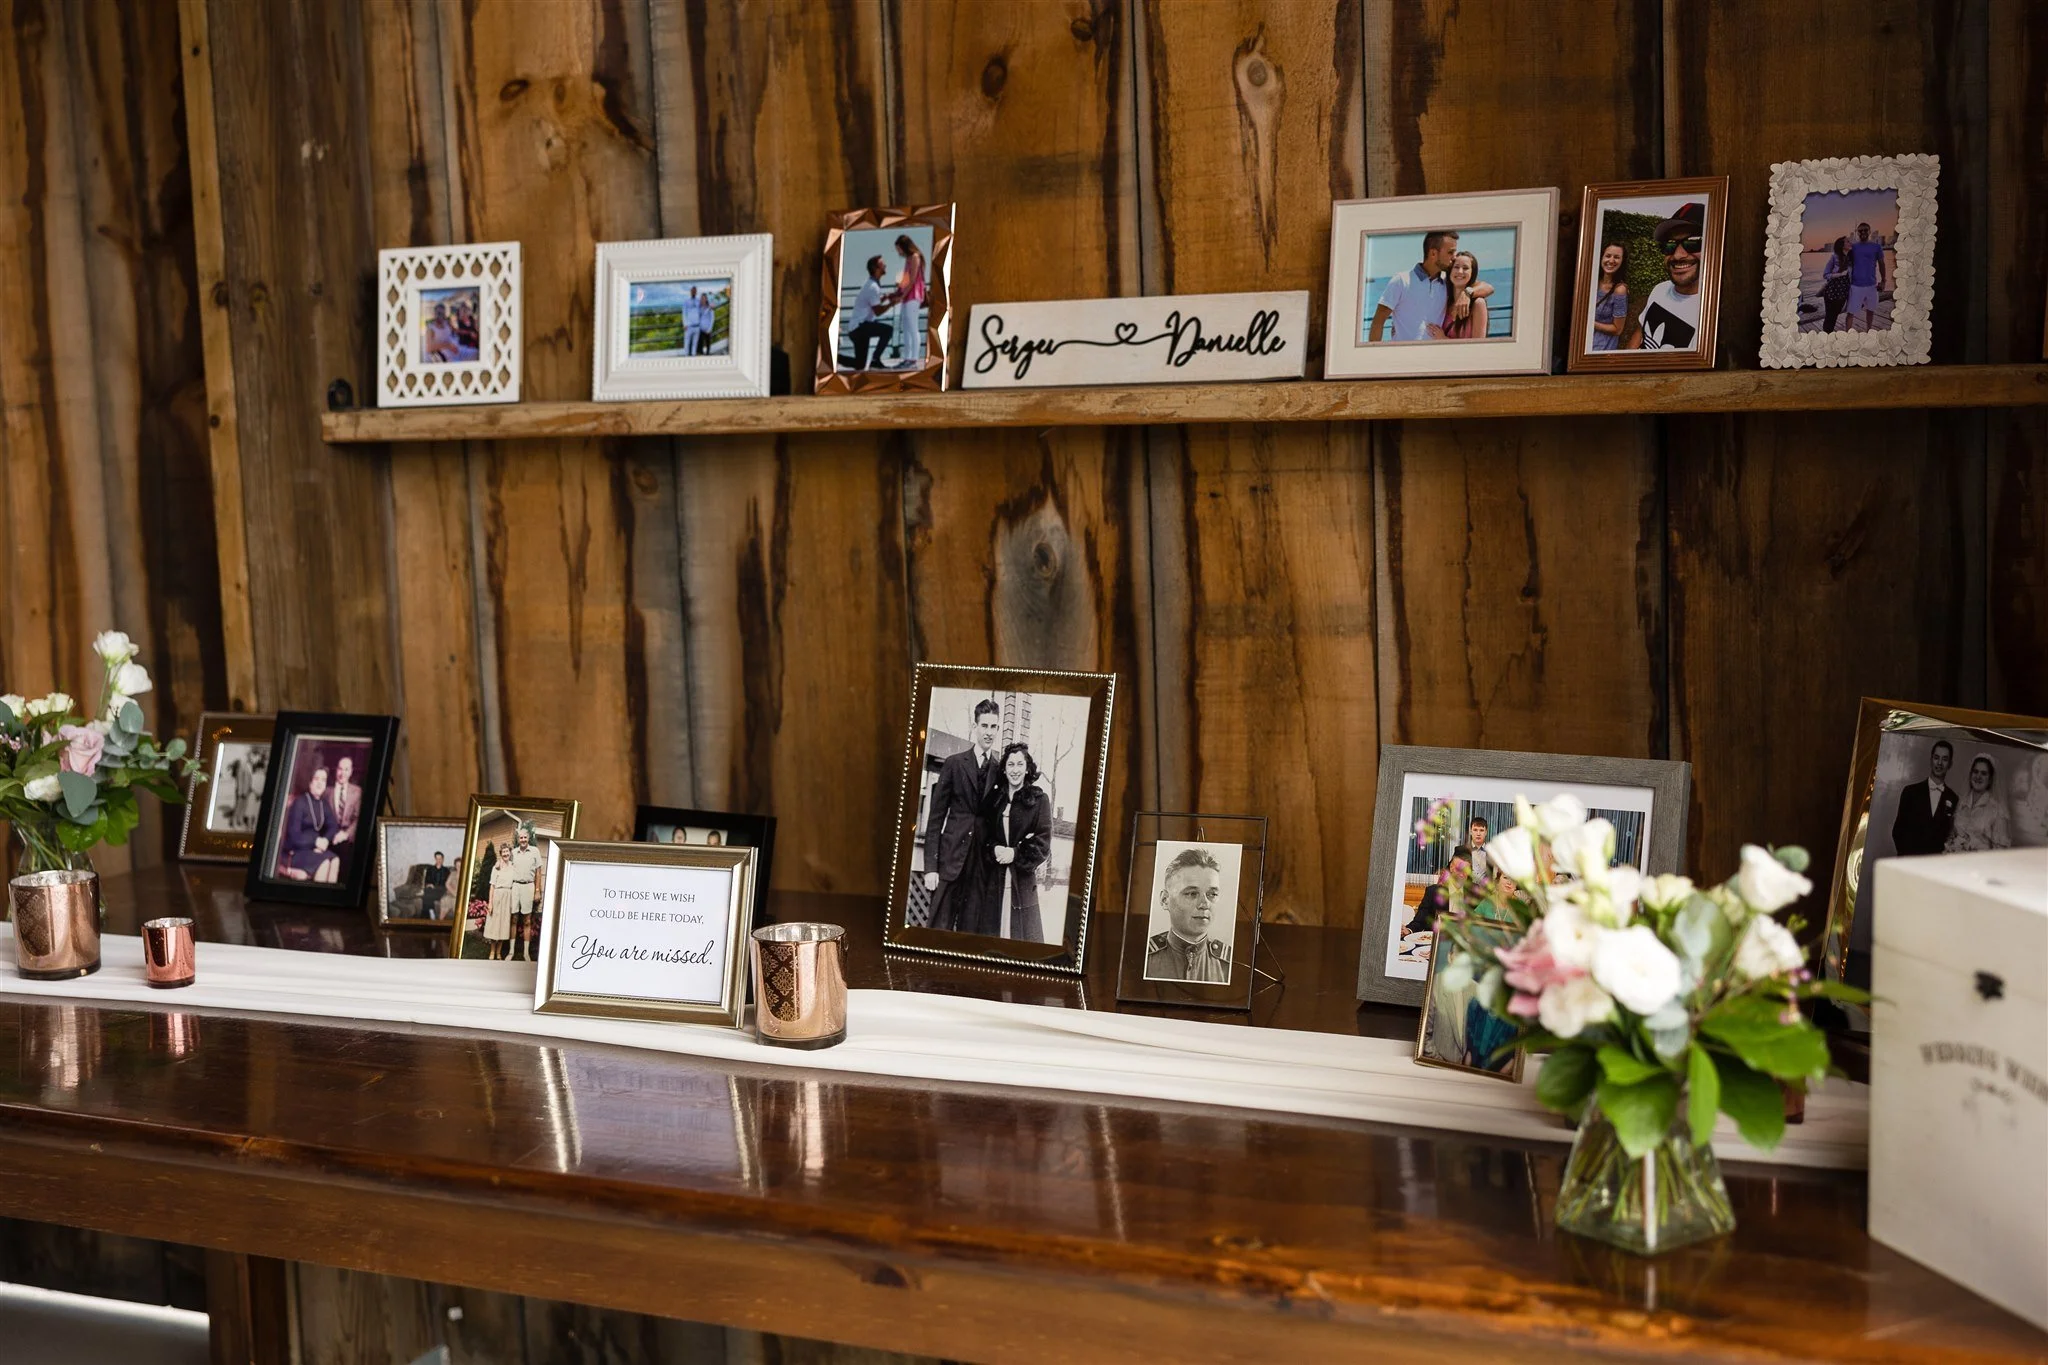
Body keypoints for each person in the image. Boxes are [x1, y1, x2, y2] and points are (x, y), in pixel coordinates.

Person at [920, 699, 1002, 932]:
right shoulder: (954, 764)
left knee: (969, 935)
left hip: (979, 869)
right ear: (974, 726)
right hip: (949, 862)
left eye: (993, 727)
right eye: (984, 726)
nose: (988, 732)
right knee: (938, 930)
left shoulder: (999, 771)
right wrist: (930, 868)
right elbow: (935, 819)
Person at [980, 743, 1051, 941]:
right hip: (995, 881)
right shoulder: (995, 800)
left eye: (1020, 764)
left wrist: (1016, 853)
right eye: (1010, 765)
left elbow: (1043, 842)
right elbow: (985, 836)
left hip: (1022, 883)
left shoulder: (1039, 799)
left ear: (1027, 768)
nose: (1015, 770)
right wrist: (994, 849)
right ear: (1004, 769)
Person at [1625, 202, 1705, 351]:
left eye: (1693, 243)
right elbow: (1641, 331)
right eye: (1669, 245)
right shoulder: (1660, 289)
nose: (1677, 255)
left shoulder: (1710, 314)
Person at [1146, 847, 1231, 982]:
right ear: (1165, 900)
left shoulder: (1228, 963)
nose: (1204, 904)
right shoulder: (1145, 958)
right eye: (1192, 894)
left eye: (1212, 894)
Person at [1369, 230, 1457, 342]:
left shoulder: (1448, 282)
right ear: (1433, 254)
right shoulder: (1401, 280)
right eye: (1450, 252)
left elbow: (1485, 287)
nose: (1454, 257)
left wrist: (1467, 292)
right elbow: (1378, 321)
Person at [1890, 740, 1960, 856]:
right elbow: (1897, 832)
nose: (1939, 763)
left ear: (1950, 764)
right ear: (1931, 759)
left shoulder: (1953, 798)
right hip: (1908, 863)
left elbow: (1949, 836)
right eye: (1936, 758)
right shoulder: (1910, 792)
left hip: (1934, 868)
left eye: (1945, 759)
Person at [276, 767, 340, 882]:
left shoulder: (323, 804)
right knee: (324, 862)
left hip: (313, 850)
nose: (320, 783)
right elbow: (294, 836)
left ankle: (329, 898)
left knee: (335, 860)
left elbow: (333, 825)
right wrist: (315, 841)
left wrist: (325, 840)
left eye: (323, 780)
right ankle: (317, 899)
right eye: (316, 779)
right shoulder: (300, 802)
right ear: (310, 782)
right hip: (296, 851)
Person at [1945, 756, 2013, 853]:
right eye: (1975, 772)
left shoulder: (1997, 810)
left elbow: (2001, 851)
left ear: (1990, 779)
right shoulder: (1961, 803)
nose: (1978, 776)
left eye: (1984, 773)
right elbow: (1953, 835)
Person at [503, 824, 545, 963]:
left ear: (529, 838)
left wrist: (538, 890)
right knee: (513, 919)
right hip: (515, 887)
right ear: (518, 839)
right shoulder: (513, 852)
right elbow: (504, 864)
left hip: (528, 887)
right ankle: (511, 951)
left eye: (525, 837)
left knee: (527, 920)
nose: (523, 840)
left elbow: (538, 872)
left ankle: (526, 953)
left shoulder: (535, 851)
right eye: (520, 837)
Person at [846, 255, 895, 369]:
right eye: (882, 264)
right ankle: (875, 359)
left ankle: (833, 357)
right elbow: (877, 311)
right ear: (876, 268)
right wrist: (892, 303)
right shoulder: (873, 287)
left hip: (857, 329)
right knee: (888, 330)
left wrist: (885, 298)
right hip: (860, 327)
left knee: (860, 365)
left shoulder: (872, 284)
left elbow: (872, 303)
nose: (885, 266)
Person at [888, 234, 927, 368]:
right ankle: (907, 358)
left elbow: (912, 280)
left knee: (912, 327)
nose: (898, 252)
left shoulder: (915, 257)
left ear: (904, 246)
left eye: (899, 248)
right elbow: (905, 279)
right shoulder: (909, 259)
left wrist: (901, 296)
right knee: (906, 327)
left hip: (914, 295)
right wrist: (897, 292)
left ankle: (913, 358)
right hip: (907, 295)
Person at [1845, 220, 1888, 332]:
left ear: (1869, 231)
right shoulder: (1853, 247)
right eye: (1860, 231)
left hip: (1871, 285)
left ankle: (1869, 330)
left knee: (1870, 310)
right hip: (1855, 286)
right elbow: (1843, 260)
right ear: (1857, 232)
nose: (1862, 232)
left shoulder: (1876, 247)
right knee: (1850, 312)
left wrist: (1883, 281)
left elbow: (1882, 264)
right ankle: (1846, 335)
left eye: (1865, 230)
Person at [1588, 241, 1629, 350]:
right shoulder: (1591, 282)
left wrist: (1589, 322)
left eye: (1616, 257)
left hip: (1601, 349)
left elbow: (1617, 329)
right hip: (1581, 344)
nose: (1611, 261)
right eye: (1608, 256)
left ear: (1622, 261)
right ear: (1601, 257)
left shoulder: (1619, 290)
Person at [1438, 250, 1488, 339]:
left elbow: (1479, 346)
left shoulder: (1478, 304)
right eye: (1456, 267)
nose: (1460, 271)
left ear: (1472, 273)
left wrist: (1444, 340)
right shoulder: (1443, 299)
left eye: (1465, 268)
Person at [483, 839, 514, 960]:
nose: (506, 854)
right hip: (497, 896)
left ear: (510, 853)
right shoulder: (496, 867)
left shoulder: (512, 866)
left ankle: (499, 953)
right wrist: (490, 903)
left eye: (507, 851)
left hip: (508, 897)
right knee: (494, 924)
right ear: (501, 854)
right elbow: (492, 886)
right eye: (503, 852)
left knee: (504, 925)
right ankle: (492, 952)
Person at [329, 755, 362, 860]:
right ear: (336, 770)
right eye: (340, 769)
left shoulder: (357, 791)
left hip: (348, 840)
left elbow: (359, 818)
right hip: (330, 838)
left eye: (346, 769)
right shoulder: (327, 791)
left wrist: (346, 834)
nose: (342, 773)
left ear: (351, 771)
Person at [1819, 236, 1853, 333]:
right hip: (1832, 291)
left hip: (1843, 292)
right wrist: (1839, 274)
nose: (1850, 243)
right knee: (1830, 316)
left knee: (1835, 315)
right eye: (1847, 242)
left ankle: (1827, 334)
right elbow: (1825, 274)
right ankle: (1826, 336)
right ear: (1842, 245)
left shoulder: (1851, 258)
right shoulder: (1834, 257)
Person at [1446, 816, 1492, 882]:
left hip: (1485, 891)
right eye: (1475, 830)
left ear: (1486, 832)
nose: (1478, 834)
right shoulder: (1461, 850)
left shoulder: (1492, 852)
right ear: (1470, 831)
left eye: (1481, 830)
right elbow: (1449, 870)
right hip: (1465, 890)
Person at [419, 851, 452, 921]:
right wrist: (429, 884)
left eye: (440, 859)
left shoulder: (446, 871)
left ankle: (426, 914)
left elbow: (447, 884)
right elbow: (426, 881)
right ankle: (431, 911)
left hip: (441, 890)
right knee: (428, 890)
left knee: (426, 894)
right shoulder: (430, 869)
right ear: (435, 859)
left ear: (443, 859)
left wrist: (436, 887)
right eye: (437, 858)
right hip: (431, 890)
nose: (438, 860)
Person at [682, 286, 703, 356]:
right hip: (689, 327)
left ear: (696, 292)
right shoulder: (686, 301)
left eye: (695, 291)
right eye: (692, 291)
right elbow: (684, 313)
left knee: (695, 344)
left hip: (697, 326)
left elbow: (701, 312)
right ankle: (686, 356)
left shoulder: (698, 301)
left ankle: (693, 356)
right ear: (690, 292)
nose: (694, 292)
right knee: (687, 343)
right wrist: (685, 324)